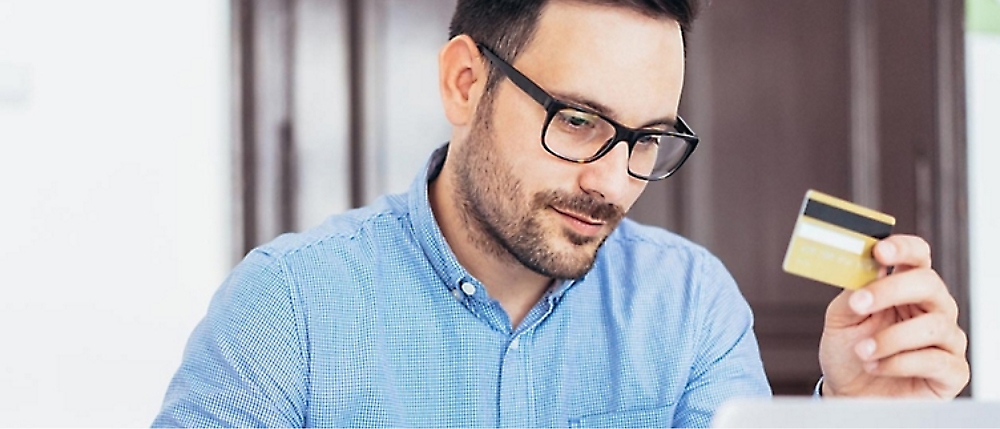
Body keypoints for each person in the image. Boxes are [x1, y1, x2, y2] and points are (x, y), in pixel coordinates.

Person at [153, 0, 970, 427]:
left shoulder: (689, 306)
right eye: (577, 121)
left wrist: (853, 423)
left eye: (647, 138)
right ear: (465, 83)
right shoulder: (288, 307)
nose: (612, 182)